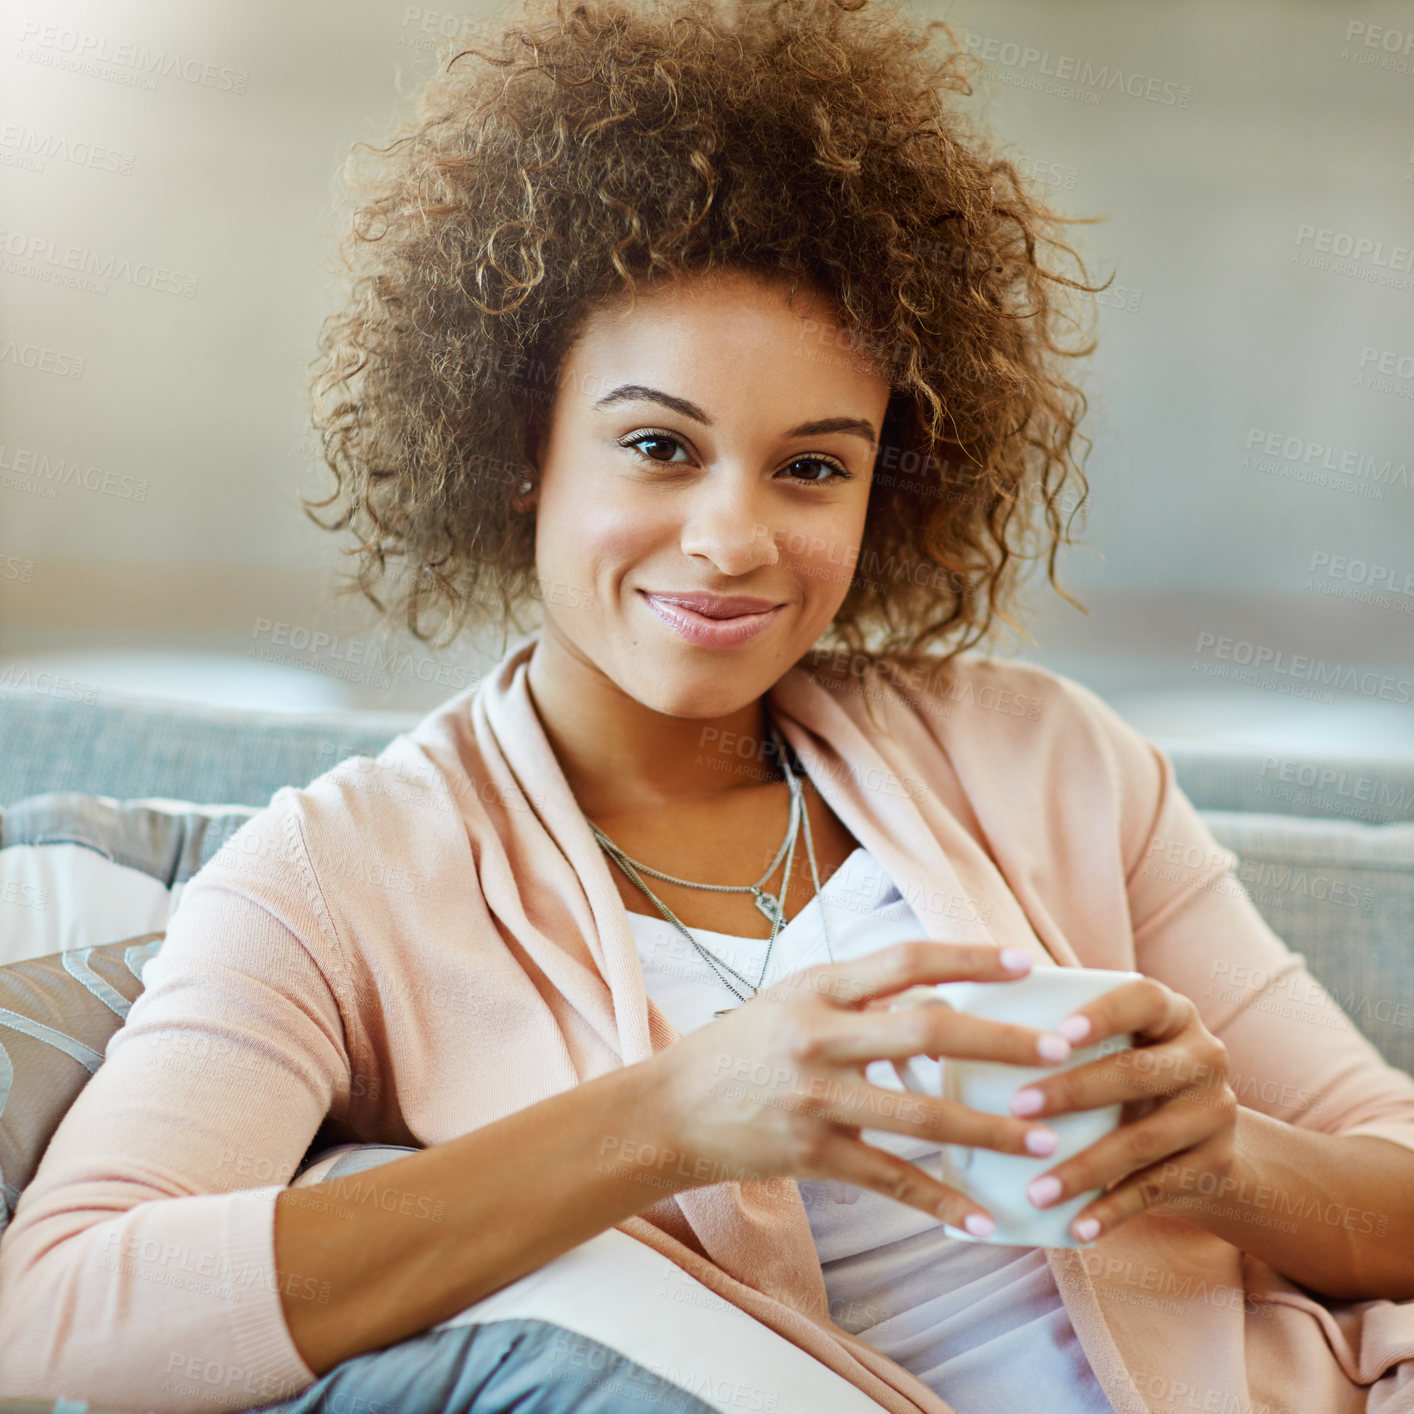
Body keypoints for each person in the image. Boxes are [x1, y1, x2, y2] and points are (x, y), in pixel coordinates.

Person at [3, 0, 1414, 1410]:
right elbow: (59, 1314)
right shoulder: (335, 878)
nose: (733, 538)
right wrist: (674, 1117)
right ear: (519, 452)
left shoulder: (1044, 756)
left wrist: (1221, 1156)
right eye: (658, 445)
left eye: (812, 467)